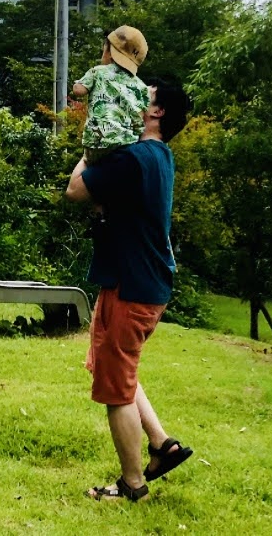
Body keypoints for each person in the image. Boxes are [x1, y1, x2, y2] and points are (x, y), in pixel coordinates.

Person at [65, 81, 194, 502]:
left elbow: (76, 190)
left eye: (147, 95)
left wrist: (92, 144)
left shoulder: (135, 158)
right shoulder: (160, 156)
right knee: (115, 369)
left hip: (130, 289)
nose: (136, 98)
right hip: (143, 284)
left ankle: (131, 485)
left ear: (156, 113)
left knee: (116, 389)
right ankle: (161, 445)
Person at [72, 26, 151, 166]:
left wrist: (78, 84)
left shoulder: (98, 72)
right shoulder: (141, 86)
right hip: (127, 146)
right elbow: (140, 117)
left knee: (88, 165)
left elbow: (79, 91)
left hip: (97, 143)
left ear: (109, 50)